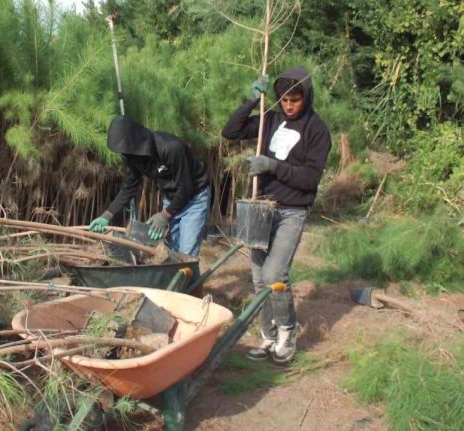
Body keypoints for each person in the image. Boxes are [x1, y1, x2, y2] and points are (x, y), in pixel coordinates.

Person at [222, 66, 331, 364]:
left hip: (291, 212)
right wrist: (251, 101)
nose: (289, 105)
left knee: (274, 274)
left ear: (305, 97)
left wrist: (272, 166)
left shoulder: (316, 129)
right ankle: (268, 337)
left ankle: (287, 331)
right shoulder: (270, 120)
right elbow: (230, 131)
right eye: (284, 99)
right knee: (258, 278)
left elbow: (309, 178)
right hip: (262, 208)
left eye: (295, 99)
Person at [88, 116, 210, 257]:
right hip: (172, 199)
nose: (125, 155)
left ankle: (189, 278)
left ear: (135, 142)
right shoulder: (132, 157)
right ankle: (176, 278)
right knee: (171, 252)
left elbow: (186, 187)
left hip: (194, 198)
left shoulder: (170, 148)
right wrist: (107, 214)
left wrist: (165, 214)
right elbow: (129, 187)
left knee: (186, 254)